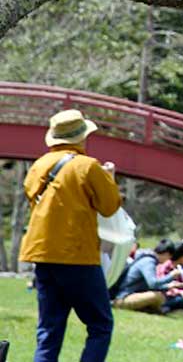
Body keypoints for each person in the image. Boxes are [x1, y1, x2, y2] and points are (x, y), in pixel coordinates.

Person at [21, 109, 122, 362]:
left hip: (43, 253)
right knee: (100, 325)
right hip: (77, 255)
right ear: (81, 137)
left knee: (49, 331)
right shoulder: (88, 166)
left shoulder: (39, 165)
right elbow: (109, 206)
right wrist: (108, 178)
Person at [112, 240, 183, 312]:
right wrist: (171, 276)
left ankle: (156, 309)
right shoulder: (149, 262)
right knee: (158, 297)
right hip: (123, 299)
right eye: (169, 257)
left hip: (129, 296)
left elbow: (150, 285)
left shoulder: (149, 259)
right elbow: (153, 284)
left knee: (159, 296)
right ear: (166, 254)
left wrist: (169, 286)